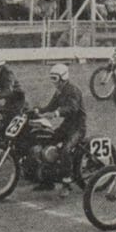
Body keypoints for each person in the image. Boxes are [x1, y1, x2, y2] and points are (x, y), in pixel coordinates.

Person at [32, 64, 86, 197]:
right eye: (52, 78)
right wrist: (38, 110)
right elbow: (50, 106)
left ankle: (66, 184)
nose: (54, 82)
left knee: (65, 150)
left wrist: (56, 113)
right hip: (66, 126)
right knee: (47, 144)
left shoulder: (73, 91)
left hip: (78, 127)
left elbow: (72, 108)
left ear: (63, 78)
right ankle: (47, 181)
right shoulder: (59, 91)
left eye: (55, 79)